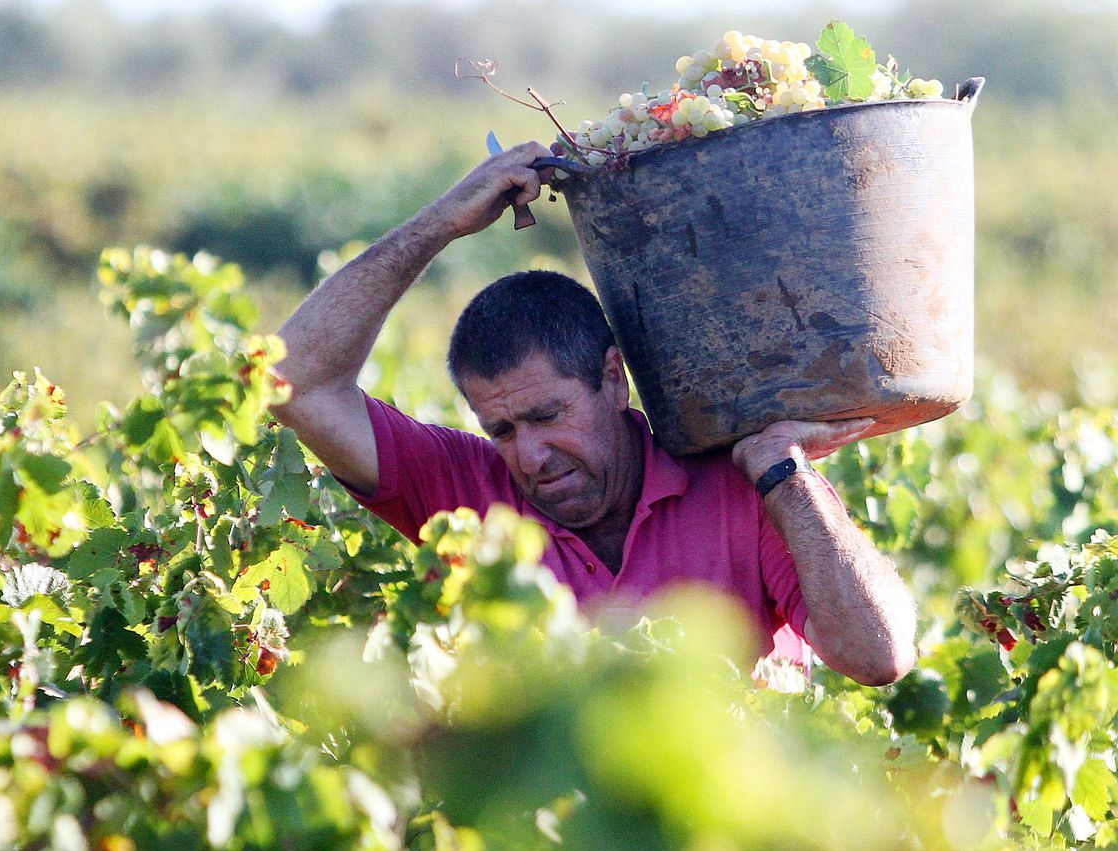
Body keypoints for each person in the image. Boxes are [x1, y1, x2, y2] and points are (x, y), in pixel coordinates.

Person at [270, 142, 916, 687]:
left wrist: (786, 477)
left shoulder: (748, 485)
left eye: (548, 415)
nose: (529, 456)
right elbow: (295, 380)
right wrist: (440, 223)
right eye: (501, 430)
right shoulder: (465, 493)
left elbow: (878, 656)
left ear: (613, 379)